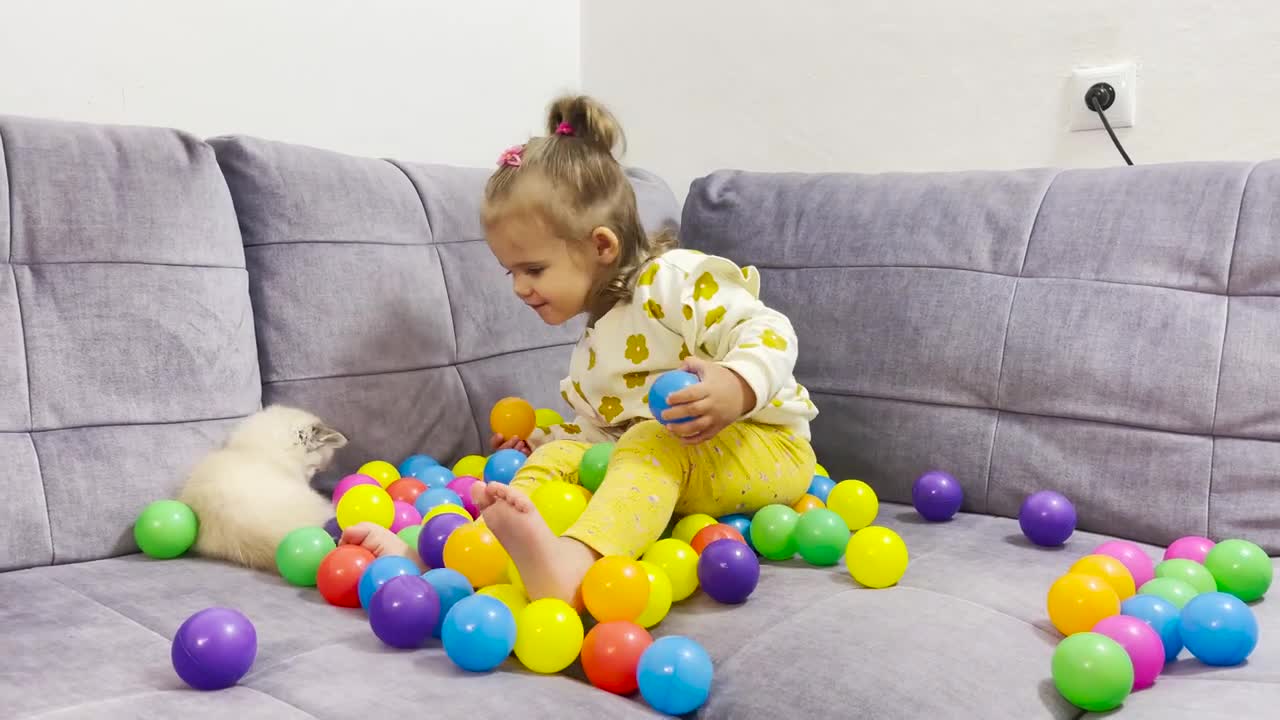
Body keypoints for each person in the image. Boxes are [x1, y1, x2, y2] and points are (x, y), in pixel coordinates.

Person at [343, 95, 817, 606]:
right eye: (512, 272)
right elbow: (600, 432)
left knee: (647, 443)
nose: (519, 289)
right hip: (672, 458)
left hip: (766, 448)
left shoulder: (673, 281)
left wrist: (736, 385)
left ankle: (576, 565)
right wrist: (545, 441)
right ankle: (457, 559)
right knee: (564, 457)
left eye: (533, 269)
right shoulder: (594, 343)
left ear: (600, 246)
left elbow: (769, 330)